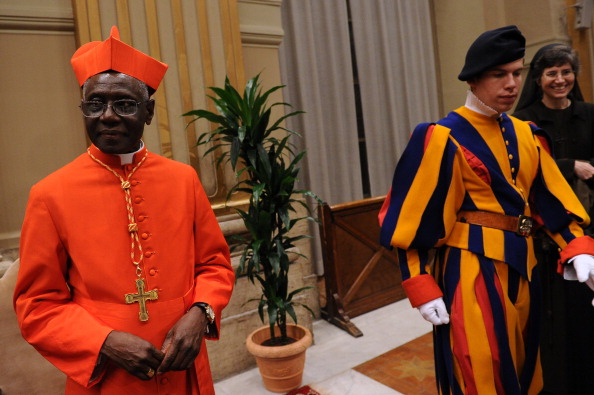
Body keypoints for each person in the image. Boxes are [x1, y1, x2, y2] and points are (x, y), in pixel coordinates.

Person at [13, 26, 235, 395]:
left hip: (183, 369)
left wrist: (201, 313)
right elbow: (37, 305)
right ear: (82, 109)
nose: (108, 115)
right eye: (95, 103)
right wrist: (105, 342)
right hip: (107, 378)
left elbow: (214, 265)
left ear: (148, 111)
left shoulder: (183, 180)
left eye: (125, 104)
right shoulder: (49, 194)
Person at [379, 26, 594, 394]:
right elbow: (412, 218)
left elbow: (548, 199)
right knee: (480, 367)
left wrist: (577, 247)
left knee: (524, 366)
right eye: (499, 74)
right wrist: (419, 281)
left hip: (524, 264)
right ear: (474, 80)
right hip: (470, 268)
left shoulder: (527, 133)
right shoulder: (441, 137)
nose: (511, 84)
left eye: (516, 73)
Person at [514, 44, 594, 395]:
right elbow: (520, 174)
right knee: (552, 318)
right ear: (539, 78)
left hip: (589, 231)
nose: (560, 79)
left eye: (566, 72)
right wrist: (570, 166)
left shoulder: (590, 113)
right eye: (551, 73)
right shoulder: (523, 121)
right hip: (544, 238)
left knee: (586, 314)